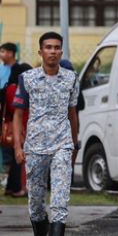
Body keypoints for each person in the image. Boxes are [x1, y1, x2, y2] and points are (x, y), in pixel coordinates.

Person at [12, 32, 80, 236]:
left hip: (62, 145)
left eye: (57, 47)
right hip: (35, 147)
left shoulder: (71, 78)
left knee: (60, 200)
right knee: (36, 202)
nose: (53, 51)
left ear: (61, 51)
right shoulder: (27, 78)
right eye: (49, 47)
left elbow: (72, 114)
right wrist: (17, 146)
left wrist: (74, 144)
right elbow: (17, 114)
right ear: (41, 51)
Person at [1, 42, 32, 197]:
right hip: (20, 127)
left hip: (13, 127)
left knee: (15, 159)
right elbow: (17, 110)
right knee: (20, 158)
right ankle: (20, 187)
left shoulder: (10, 88)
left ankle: (13, 187)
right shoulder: (18, 89)